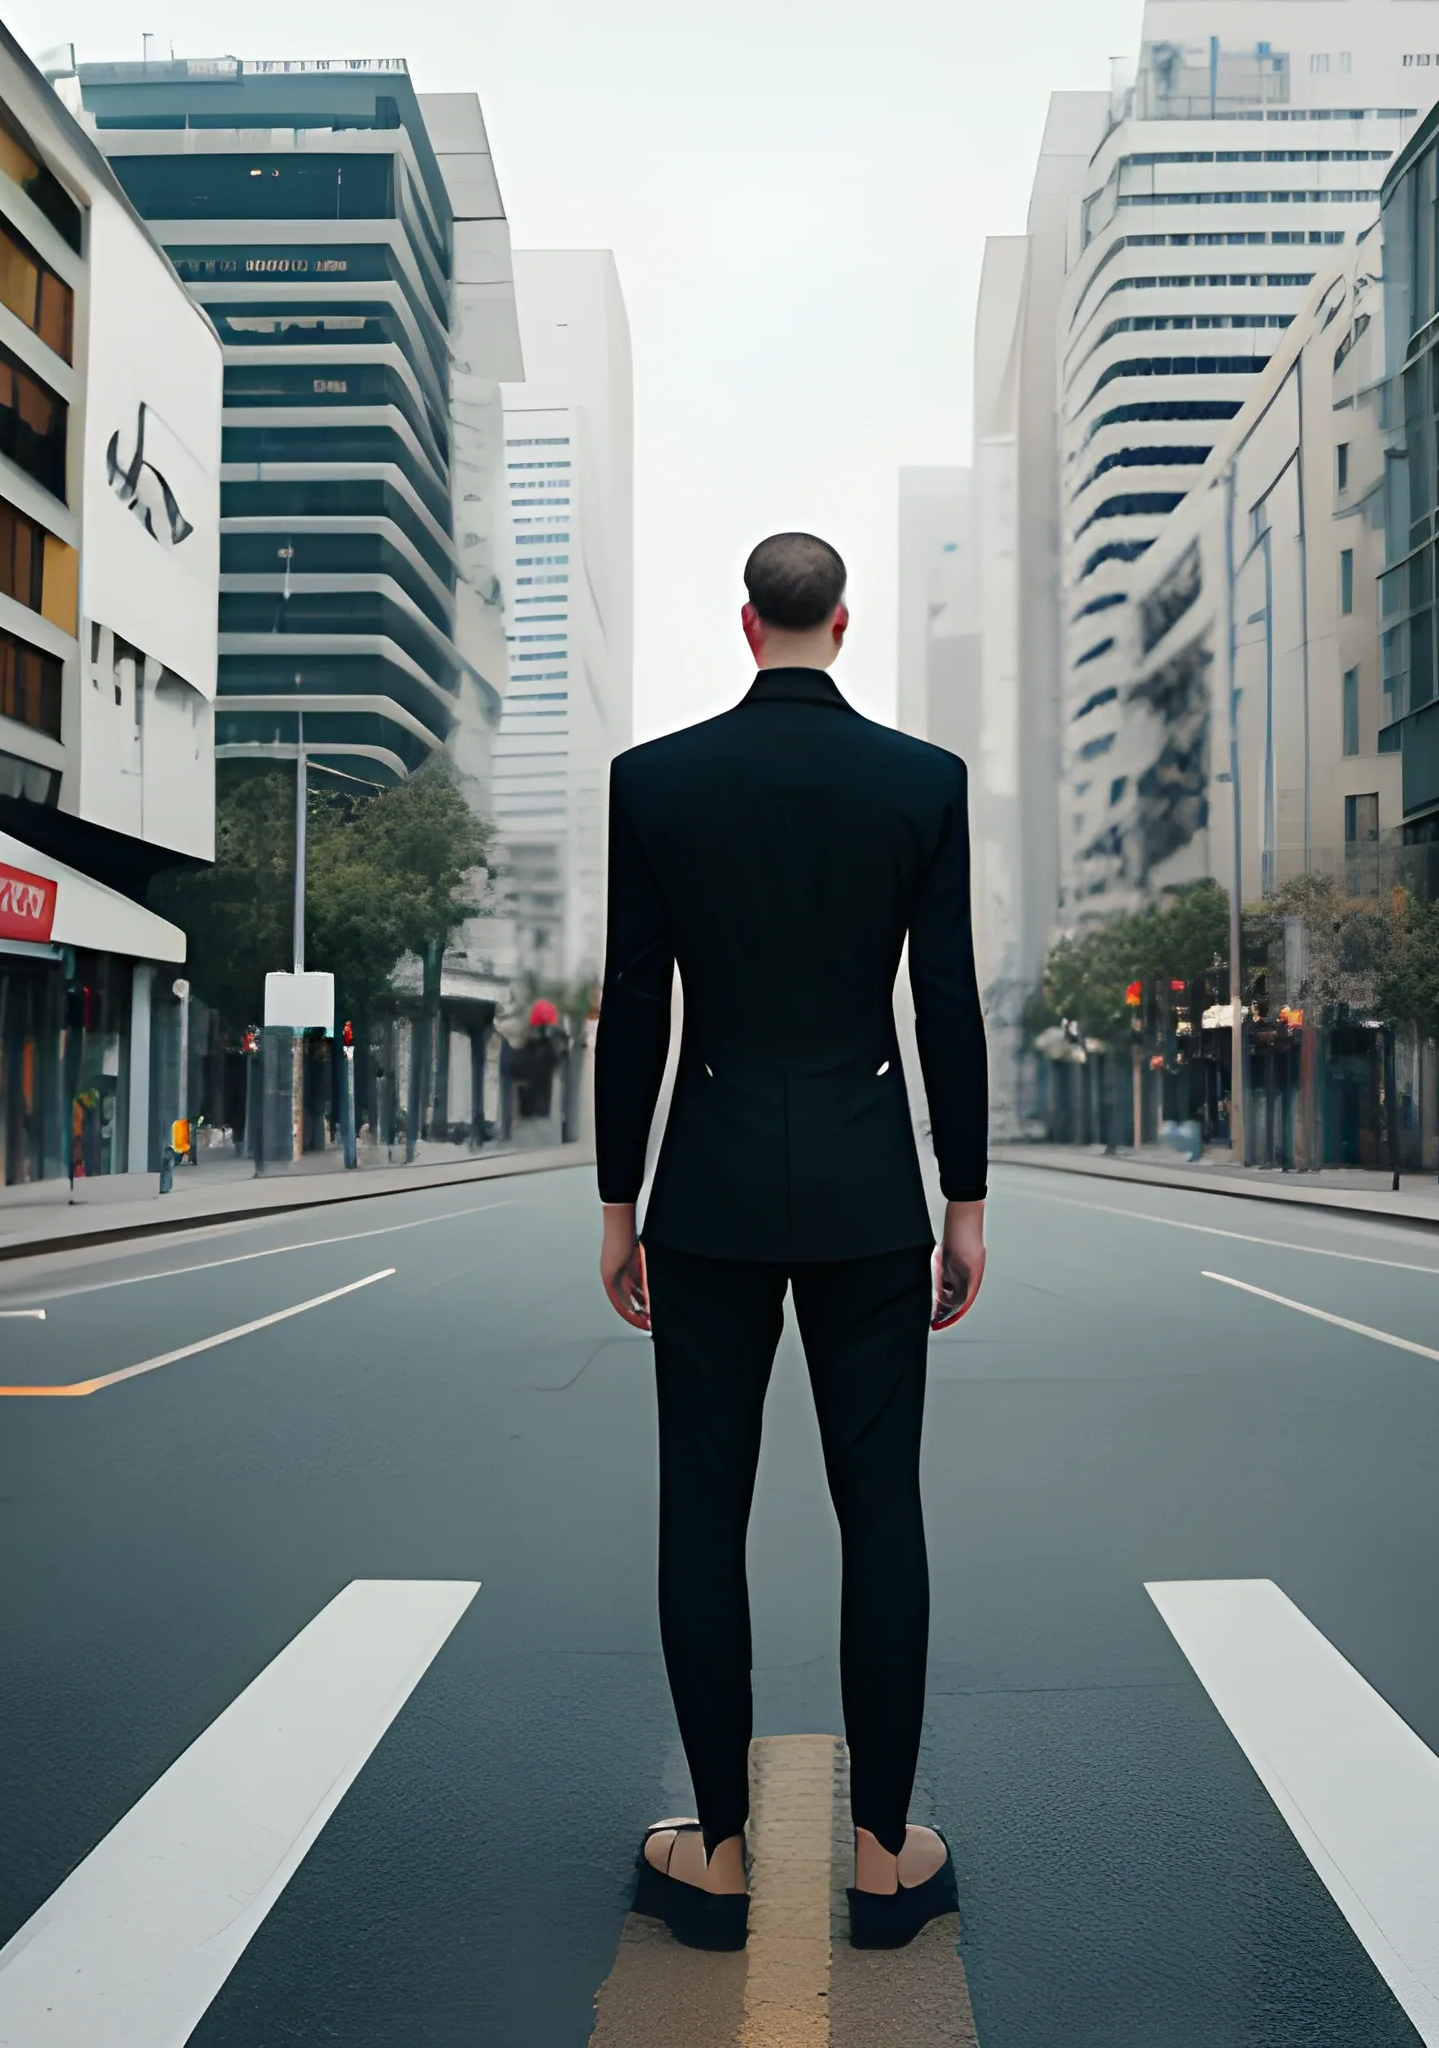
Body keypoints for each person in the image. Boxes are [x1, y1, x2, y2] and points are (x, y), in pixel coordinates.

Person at [593, 531, 989, 1953]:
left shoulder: (655, 781)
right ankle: (884, 1860)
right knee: (881, 1509)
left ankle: (716, 1856)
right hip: (869, 1194)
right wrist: (968, 1200)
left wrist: (615, 1200)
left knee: (702, 1512)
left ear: (747, 622)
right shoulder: (921, 783)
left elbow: (632, 1000)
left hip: (701, 1192)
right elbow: (944, 1000)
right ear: (842, 621)